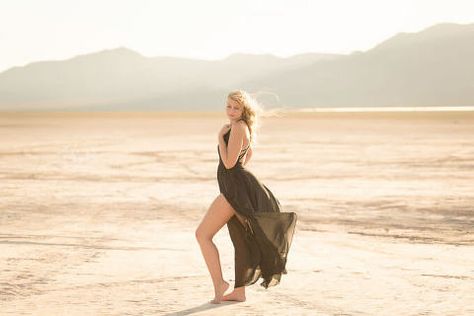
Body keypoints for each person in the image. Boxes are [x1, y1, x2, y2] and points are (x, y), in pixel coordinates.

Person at [195, 90, 297, 304]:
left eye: (236, 108)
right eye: (228, 106)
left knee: (202, 234)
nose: (231, 111)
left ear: (244, 110)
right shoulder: (242, 127)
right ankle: (239, 292)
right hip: (237, 186)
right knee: (241, 239)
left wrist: (220, 140)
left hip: (234, 191)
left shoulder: (238, 127)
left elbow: (230, 163)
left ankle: (220, 285)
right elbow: (246, 155)